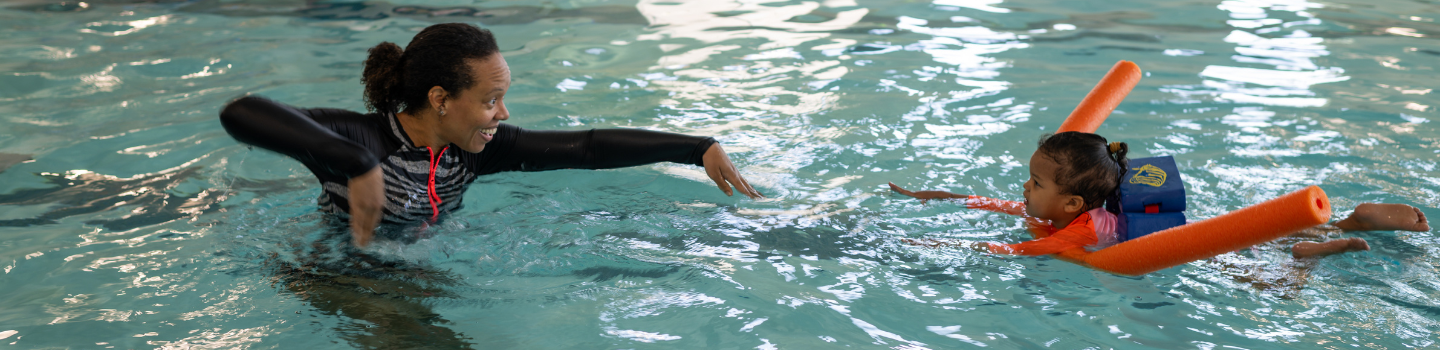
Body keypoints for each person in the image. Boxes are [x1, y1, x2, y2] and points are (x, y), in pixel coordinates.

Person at [219, 23, 762, 247]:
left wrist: (696, 147)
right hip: (339, 275)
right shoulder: (360, 139)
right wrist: (355, 164)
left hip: (418, 264)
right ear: (440, 99)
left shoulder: (475, 151)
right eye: (489, 100)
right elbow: (242, 112)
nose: (502, 114)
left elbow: (588, 148)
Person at [888, 131, 1429, 258]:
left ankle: (1313, 252)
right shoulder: (1091, 209)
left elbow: (1009, 252)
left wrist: (935, 247)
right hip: (1182, 228)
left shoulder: (1074, 233)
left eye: (1035, 183)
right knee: (1252, 239)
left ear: (1073, 205)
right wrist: (933, 196)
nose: (1023, 189)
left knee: (1254, 267)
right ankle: (1343, 225)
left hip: (1184, 252)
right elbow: (990, 204)